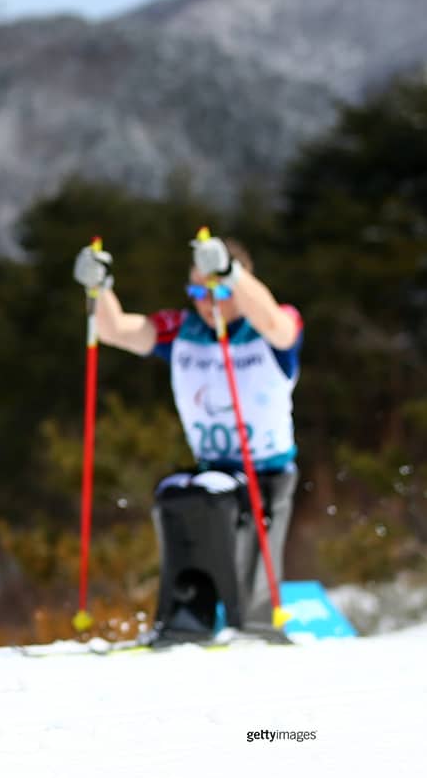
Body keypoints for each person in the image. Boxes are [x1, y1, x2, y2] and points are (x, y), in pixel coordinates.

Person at [73, 231, 302, 638]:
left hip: (267, 473)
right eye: (194, 288)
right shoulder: (184, 330)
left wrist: (231, 275)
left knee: (235, 533)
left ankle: (251, 622)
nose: (203, 299)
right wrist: (98, 288)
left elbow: (277, 325)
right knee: (179, 497)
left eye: (213, 288)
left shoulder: (266, 325)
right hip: (215, 468)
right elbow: (117, 330)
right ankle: (187, 613)